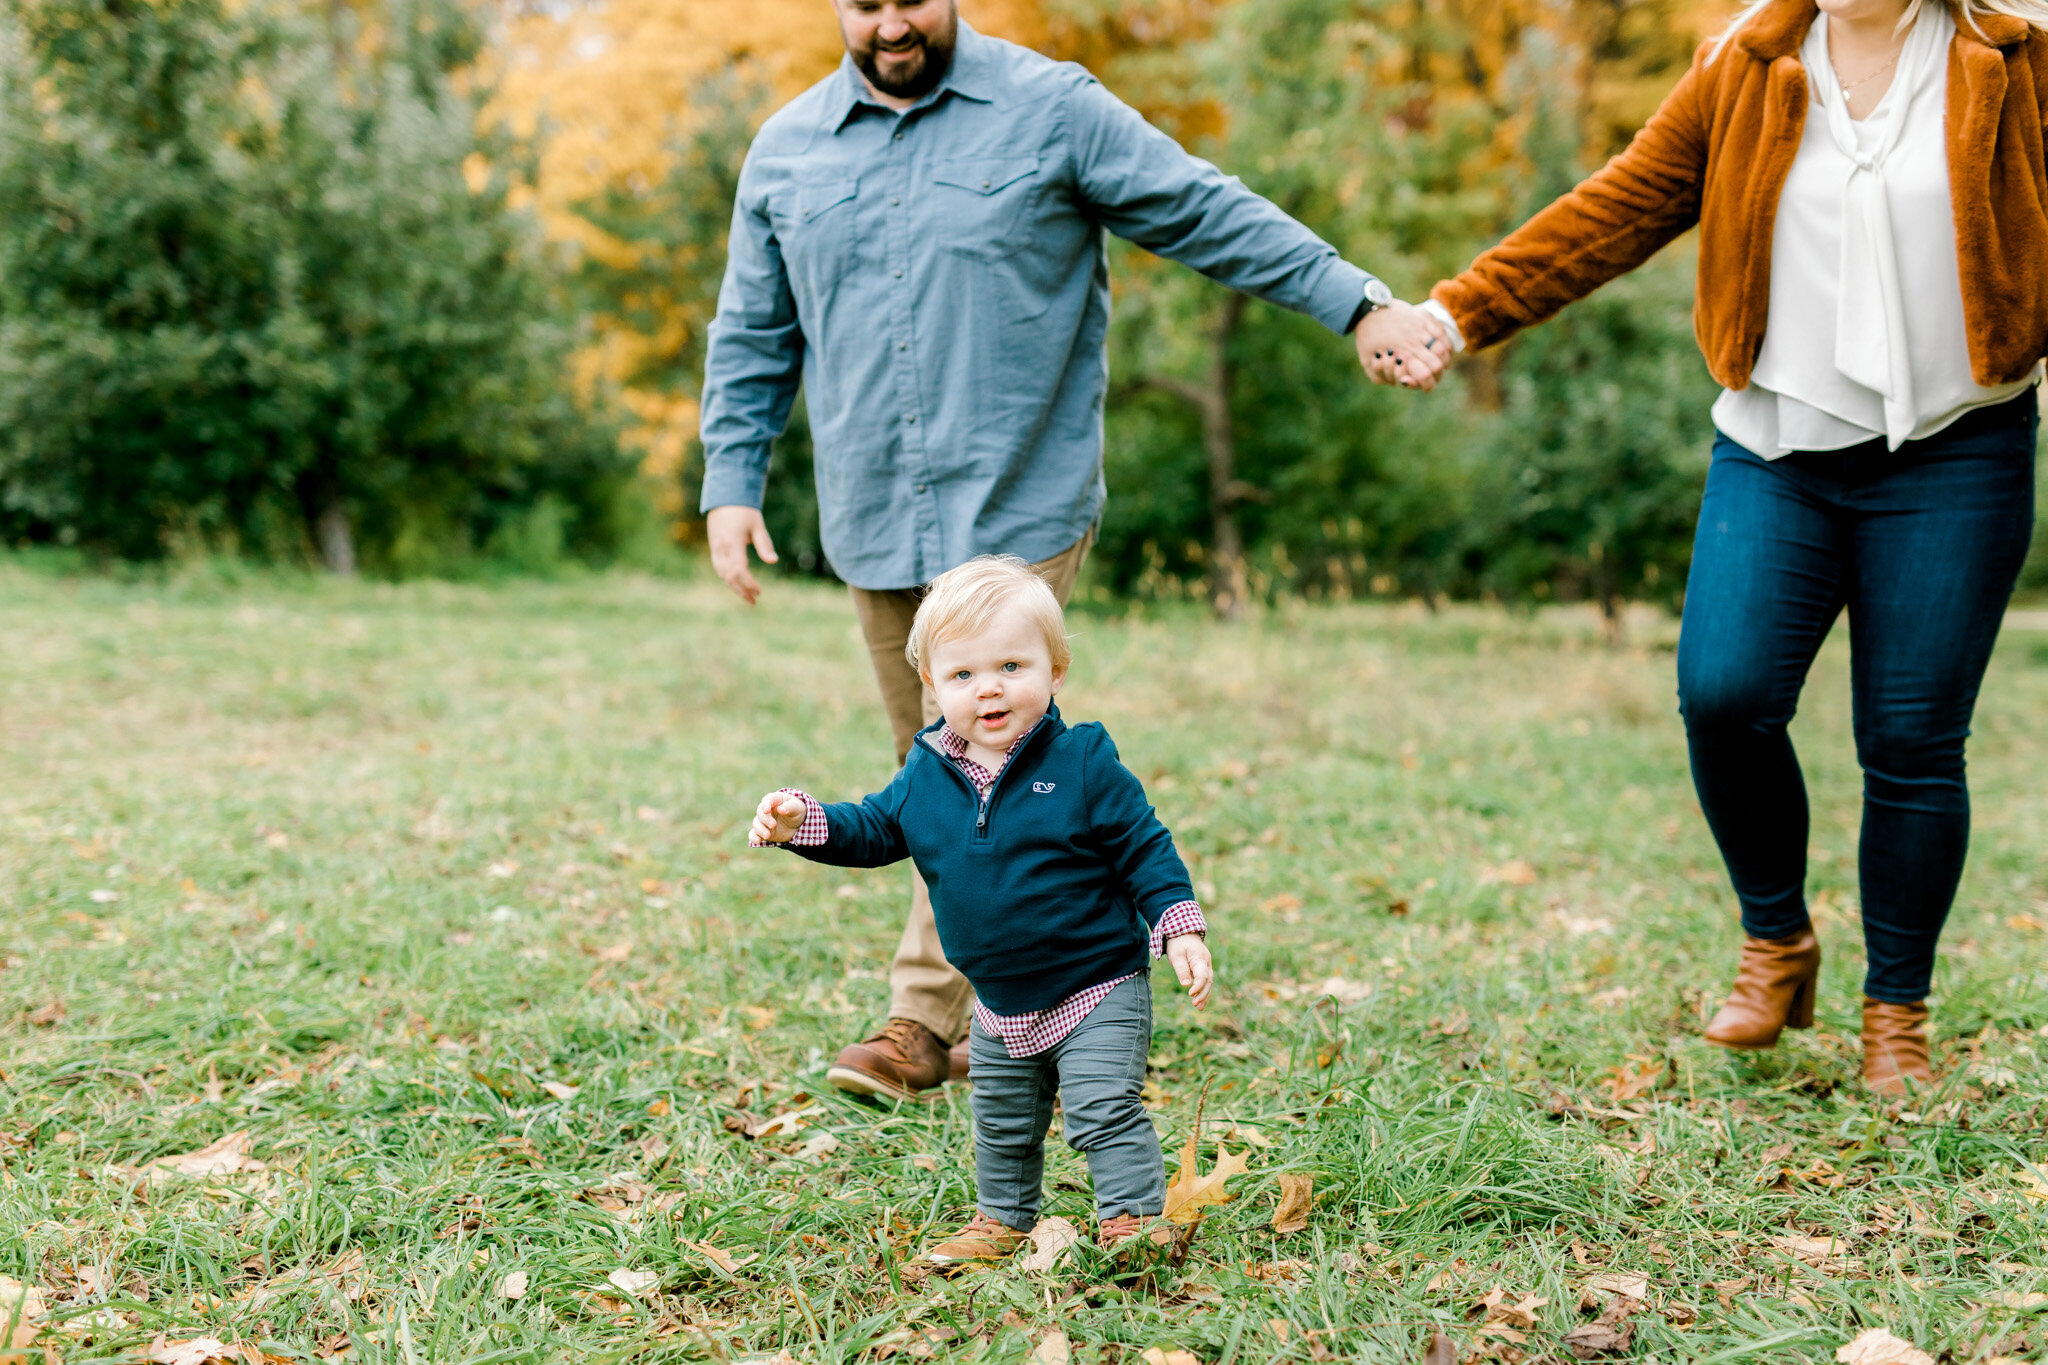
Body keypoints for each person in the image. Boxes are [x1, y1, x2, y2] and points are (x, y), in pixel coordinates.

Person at [701, 0, 1445, 1102]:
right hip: (871, 511)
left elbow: (1204, 210)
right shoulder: (788, 148)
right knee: (935, 765)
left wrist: (1354, 305)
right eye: (865, 2)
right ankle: (1040, 985)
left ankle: (921, 1021)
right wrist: (730, 480)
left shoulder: (1049, 109)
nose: (890, 21)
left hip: (1018, 498)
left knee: (974, 750)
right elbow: (753, 329)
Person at [1380, 0, 2046, 1093]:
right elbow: (1617, 208)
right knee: (1722, 692)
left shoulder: (2013, 63)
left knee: (1911, 740)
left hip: (1952, 451)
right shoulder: (1741, 62)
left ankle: (1895, 1016)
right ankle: (1775, 939)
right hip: (1776, 444)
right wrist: (1458, 315)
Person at [748, 556, 1214, 1261]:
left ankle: (1132, 1220)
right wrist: (804, 822)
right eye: (963, 675)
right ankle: (1002, 1218)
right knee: (1001, 1120)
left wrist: (1177, 923)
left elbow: (1142, 845)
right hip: (997, 1001)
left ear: (1055, 670)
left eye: (1011, 666)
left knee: (1100, 1108)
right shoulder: (926, 768)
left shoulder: (1083, 760)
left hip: (1098, 984)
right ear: (932, 685)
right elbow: (876, 827)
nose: (988, 688)